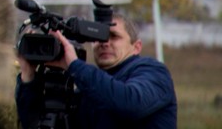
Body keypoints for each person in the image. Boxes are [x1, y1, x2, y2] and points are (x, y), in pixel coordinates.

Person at [15, 13, 177, 129]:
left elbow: (130, 103)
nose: (104, 43)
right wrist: (28, 76)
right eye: (99, 38)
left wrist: (74, 66)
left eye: (114, 36)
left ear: (136, 47)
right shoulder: (88, 88)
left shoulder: (153, 72)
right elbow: (34, 123)